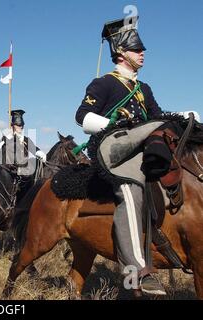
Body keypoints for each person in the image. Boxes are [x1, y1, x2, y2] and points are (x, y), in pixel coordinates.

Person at [75, 17, 200, 296]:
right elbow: (82, 117)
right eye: (136, 49)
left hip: (143, 149)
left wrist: (183, 115)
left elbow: (157, 118)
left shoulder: (144, 88)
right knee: (131, 189)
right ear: (121, 52)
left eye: (142, 50)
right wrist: (114, 124)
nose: (143, 53)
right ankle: (137, 269)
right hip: (114, 150)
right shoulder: (104, 83)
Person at [0, 109, 47, 197]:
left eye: (22, 125)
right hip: (11, 174)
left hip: (24, 176)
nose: (20, 127)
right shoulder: (6, 139)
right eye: (18, 125)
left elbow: (34, 148)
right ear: (12, 125)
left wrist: (39, 152)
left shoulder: (26, 140)